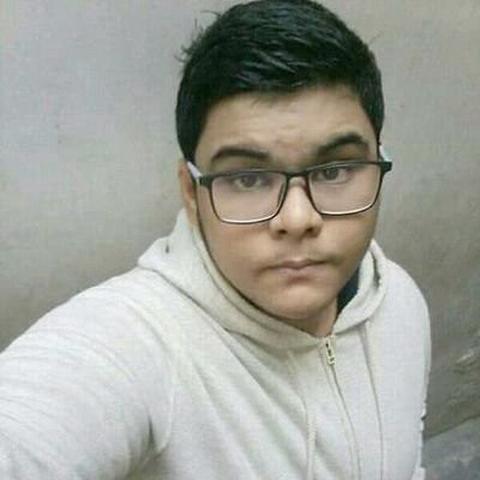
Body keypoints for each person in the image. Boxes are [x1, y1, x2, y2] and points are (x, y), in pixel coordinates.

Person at [0, 0, 431, 479]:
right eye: (248, 178)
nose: (297, 218)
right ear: (191, 192)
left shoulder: (399, 302)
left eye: (334, 170)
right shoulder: (142, 343)